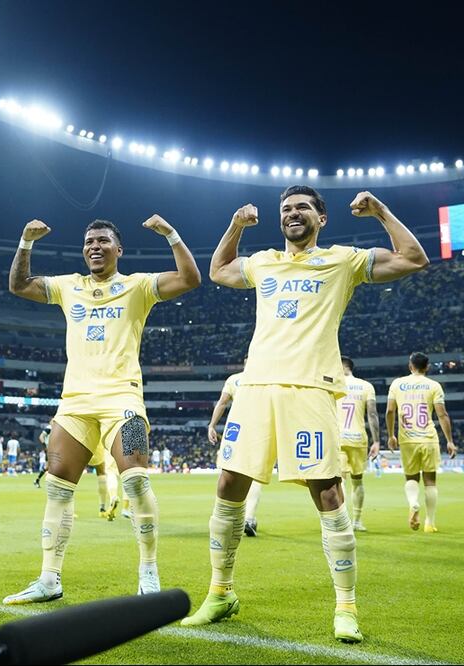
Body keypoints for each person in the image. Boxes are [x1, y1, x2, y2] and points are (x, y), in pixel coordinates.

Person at [183, 187, 429, 644]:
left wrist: (381, 212)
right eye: (286, 210)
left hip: (311, 387)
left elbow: (413, 259)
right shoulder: (263, 262)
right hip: (255, 385)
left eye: (302, 208)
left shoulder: (343, 260)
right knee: (228, 484)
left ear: (322, 218)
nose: (292, 214)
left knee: (328, 493)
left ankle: (346, 607)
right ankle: (220, 593)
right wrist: (237, 226)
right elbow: (218, 270)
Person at [4, 214, 201, 603]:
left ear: (118, 250)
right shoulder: (67, 287)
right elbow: (18, 285)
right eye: (89, 241)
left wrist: (170, 234)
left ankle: (148, 572)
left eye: (103, 241)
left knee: (136, 480)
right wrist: (26, 241)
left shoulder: (137, 286)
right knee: (58, 487)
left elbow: (190, 278)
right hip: (75, 402)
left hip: (123, 400)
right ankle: (49, 579)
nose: (94, 246)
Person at [385, 352, 456, 534]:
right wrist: (449, 441)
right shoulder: (434, 386)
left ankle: (413, 503)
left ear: (410, 366)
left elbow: (390, 411)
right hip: (428, 438)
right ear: (427, 367)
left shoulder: (397, 384)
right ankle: (429, 523)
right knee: (430, 481)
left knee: (411, 478)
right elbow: (442, 414)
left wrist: (391, 435)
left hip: (407, 439)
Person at [208, 363, 263, 537]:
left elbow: (223, 402)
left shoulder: (234, 379)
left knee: (228, 472)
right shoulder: (265, 378)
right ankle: (248, 518)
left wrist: (212, 425)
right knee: (256, 476)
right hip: (259, 428)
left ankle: (223, 519)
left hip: (235, 430)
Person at [337, 356, 380, 532]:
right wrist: (376, 440)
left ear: (342, 366)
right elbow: (372, 414)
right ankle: (357, 521)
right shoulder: (366, 386)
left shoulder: (333, 385)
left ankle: (342, 520)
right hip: (358, 439)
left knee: (340, 482)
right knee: (357, 481)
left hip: (338, 438)